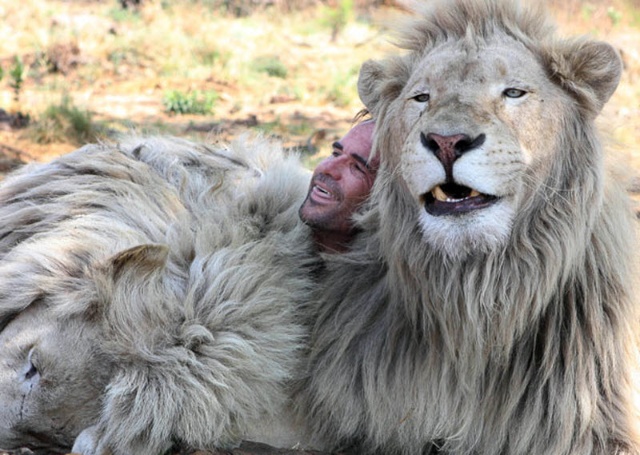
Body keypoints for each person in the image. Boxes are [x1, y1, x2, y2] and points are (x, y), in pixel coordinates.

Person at [299, 118, 377, 253]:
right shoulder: (266, 236)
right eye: (336, 154)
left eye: (357, 168)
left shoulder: (394, 272)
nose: (327, 168)